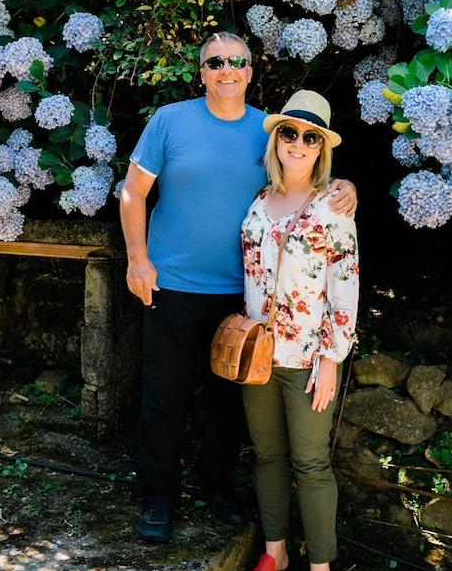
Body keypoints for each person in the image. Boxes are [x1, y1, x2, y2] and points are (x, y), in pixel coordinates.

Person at [119, 33, 357, 543]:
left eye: (237, 62)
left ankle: (217, 490)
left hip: (243, 300)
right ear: (202, 71)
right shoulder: (170, 121)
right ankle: (158, 498)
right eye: (215, 62)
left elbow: (305, 172)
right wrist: (138, 259)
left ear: (251, 72)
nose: (227, 69)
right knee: (164, 398)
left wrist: (345, 187)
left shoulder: (269, 131)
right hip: (172, 285)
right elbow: (132, 192)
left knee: (228, 404)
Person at [238, 90, 359, 571]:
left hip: (309, 357)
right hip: (259, 355)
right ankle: (275, 552)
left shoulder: (334, 205)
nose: (299, 144)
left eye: (311, 137)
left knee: (310, 463)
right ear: (277, 139)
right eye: (290, 133)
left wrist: (332, 358)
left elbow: (346, 286)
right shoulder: (259, 202)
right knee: (266, 455)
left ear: (322, 148)